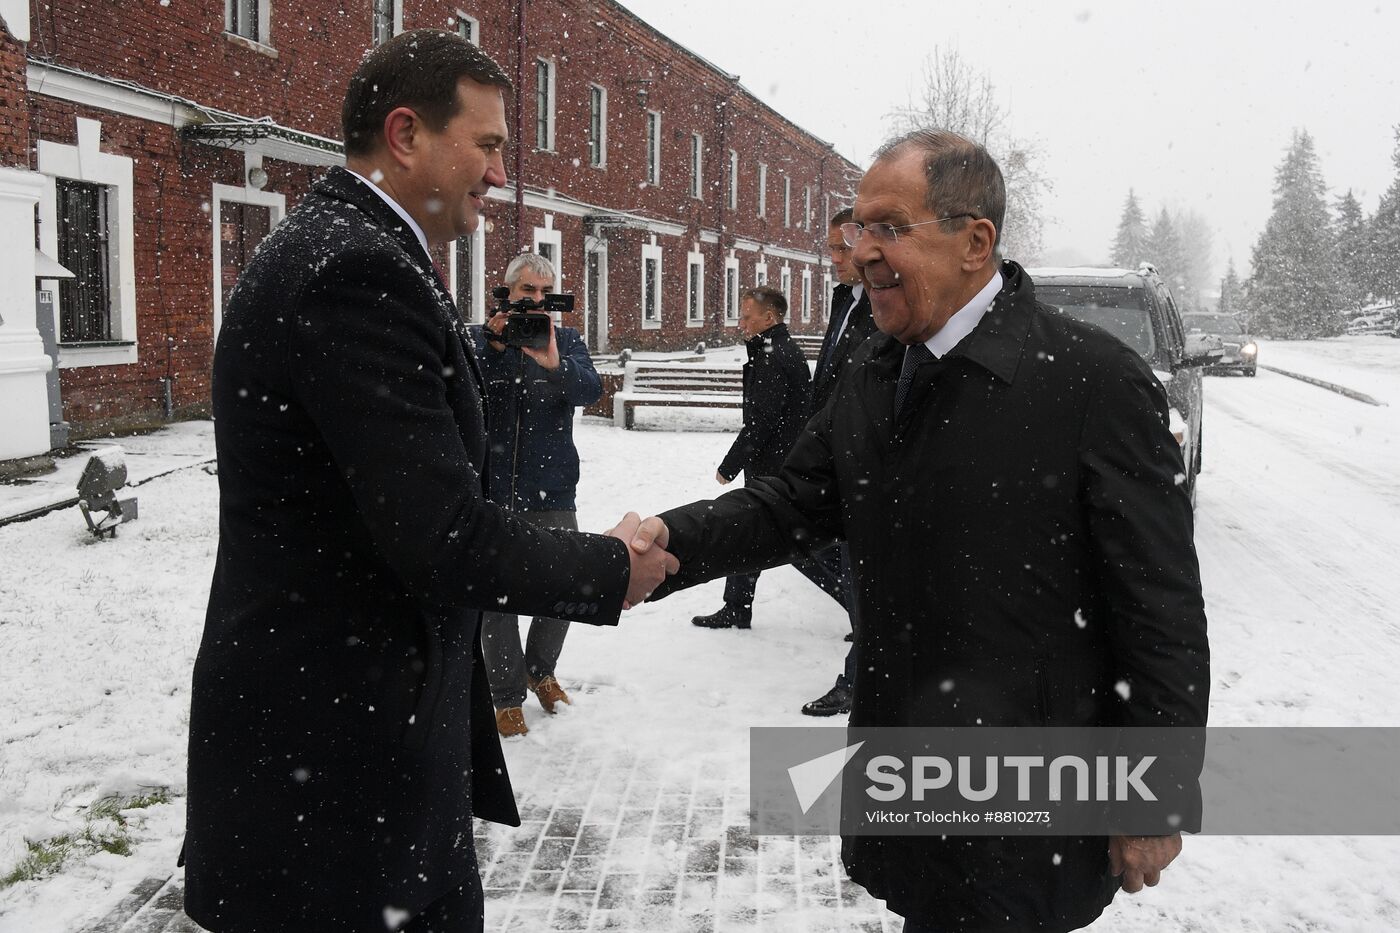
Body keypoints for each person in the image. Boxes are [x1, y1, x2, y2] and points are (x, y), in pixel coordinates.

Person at [627, 129, 1209, 932]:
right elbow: (791, 501)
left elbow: (1162, 610)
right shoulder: (875, 373)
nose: (860, 250)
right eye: (857, 228)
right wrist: (668, 540)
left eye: (888, 228)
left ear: (976, 243)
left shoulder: (1094, 382)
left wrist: (1157, 790)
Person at [183, 30, 676, 933]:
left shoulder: (356, 250)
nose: (497, 174)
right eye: (486, 145)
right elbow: (442, 532)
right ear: (406, 134)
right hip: (337, 785)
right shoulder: (356, 270)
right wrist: (609, 567)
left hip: (345, 761)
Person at [474, 252, 601, 737]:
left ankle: (540, 670)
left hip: (553, 489)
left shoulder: (566, 341)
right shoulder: (483, 341)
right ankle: (506, 696)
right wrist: (491, 344)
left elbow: (590, 391)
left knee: (565, 588)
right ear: (507, 291)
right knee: (497, 597)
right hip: (496, 490)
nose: (537, 301)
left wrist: (553, 362)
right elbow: (456, 390)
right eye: (528, 291)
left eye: (546, 293)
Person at [689, 286, 845, 630]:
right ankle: (736, 607)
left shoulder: (774, 356)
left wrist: (730, 465)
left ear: (769, 318)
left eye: (747, 316)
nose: (741, 322)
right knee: (749, 535)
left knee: (802, 546)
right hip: (777, 461)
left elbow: (762, 420)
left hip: (778, 466)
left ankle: (861, 608)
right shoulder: (774, 349)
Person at [799, 206, 878, 717]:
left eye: (839, 247)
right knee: (808, 549)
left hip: (864, 465)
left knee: (861, 573)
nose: (832, 258)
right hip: (833, 455)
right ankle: (864, 622)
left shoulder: (882, 306)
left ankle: (859, 675)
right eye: (828, 247)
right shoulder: (845, 301)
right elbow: (828, 378)